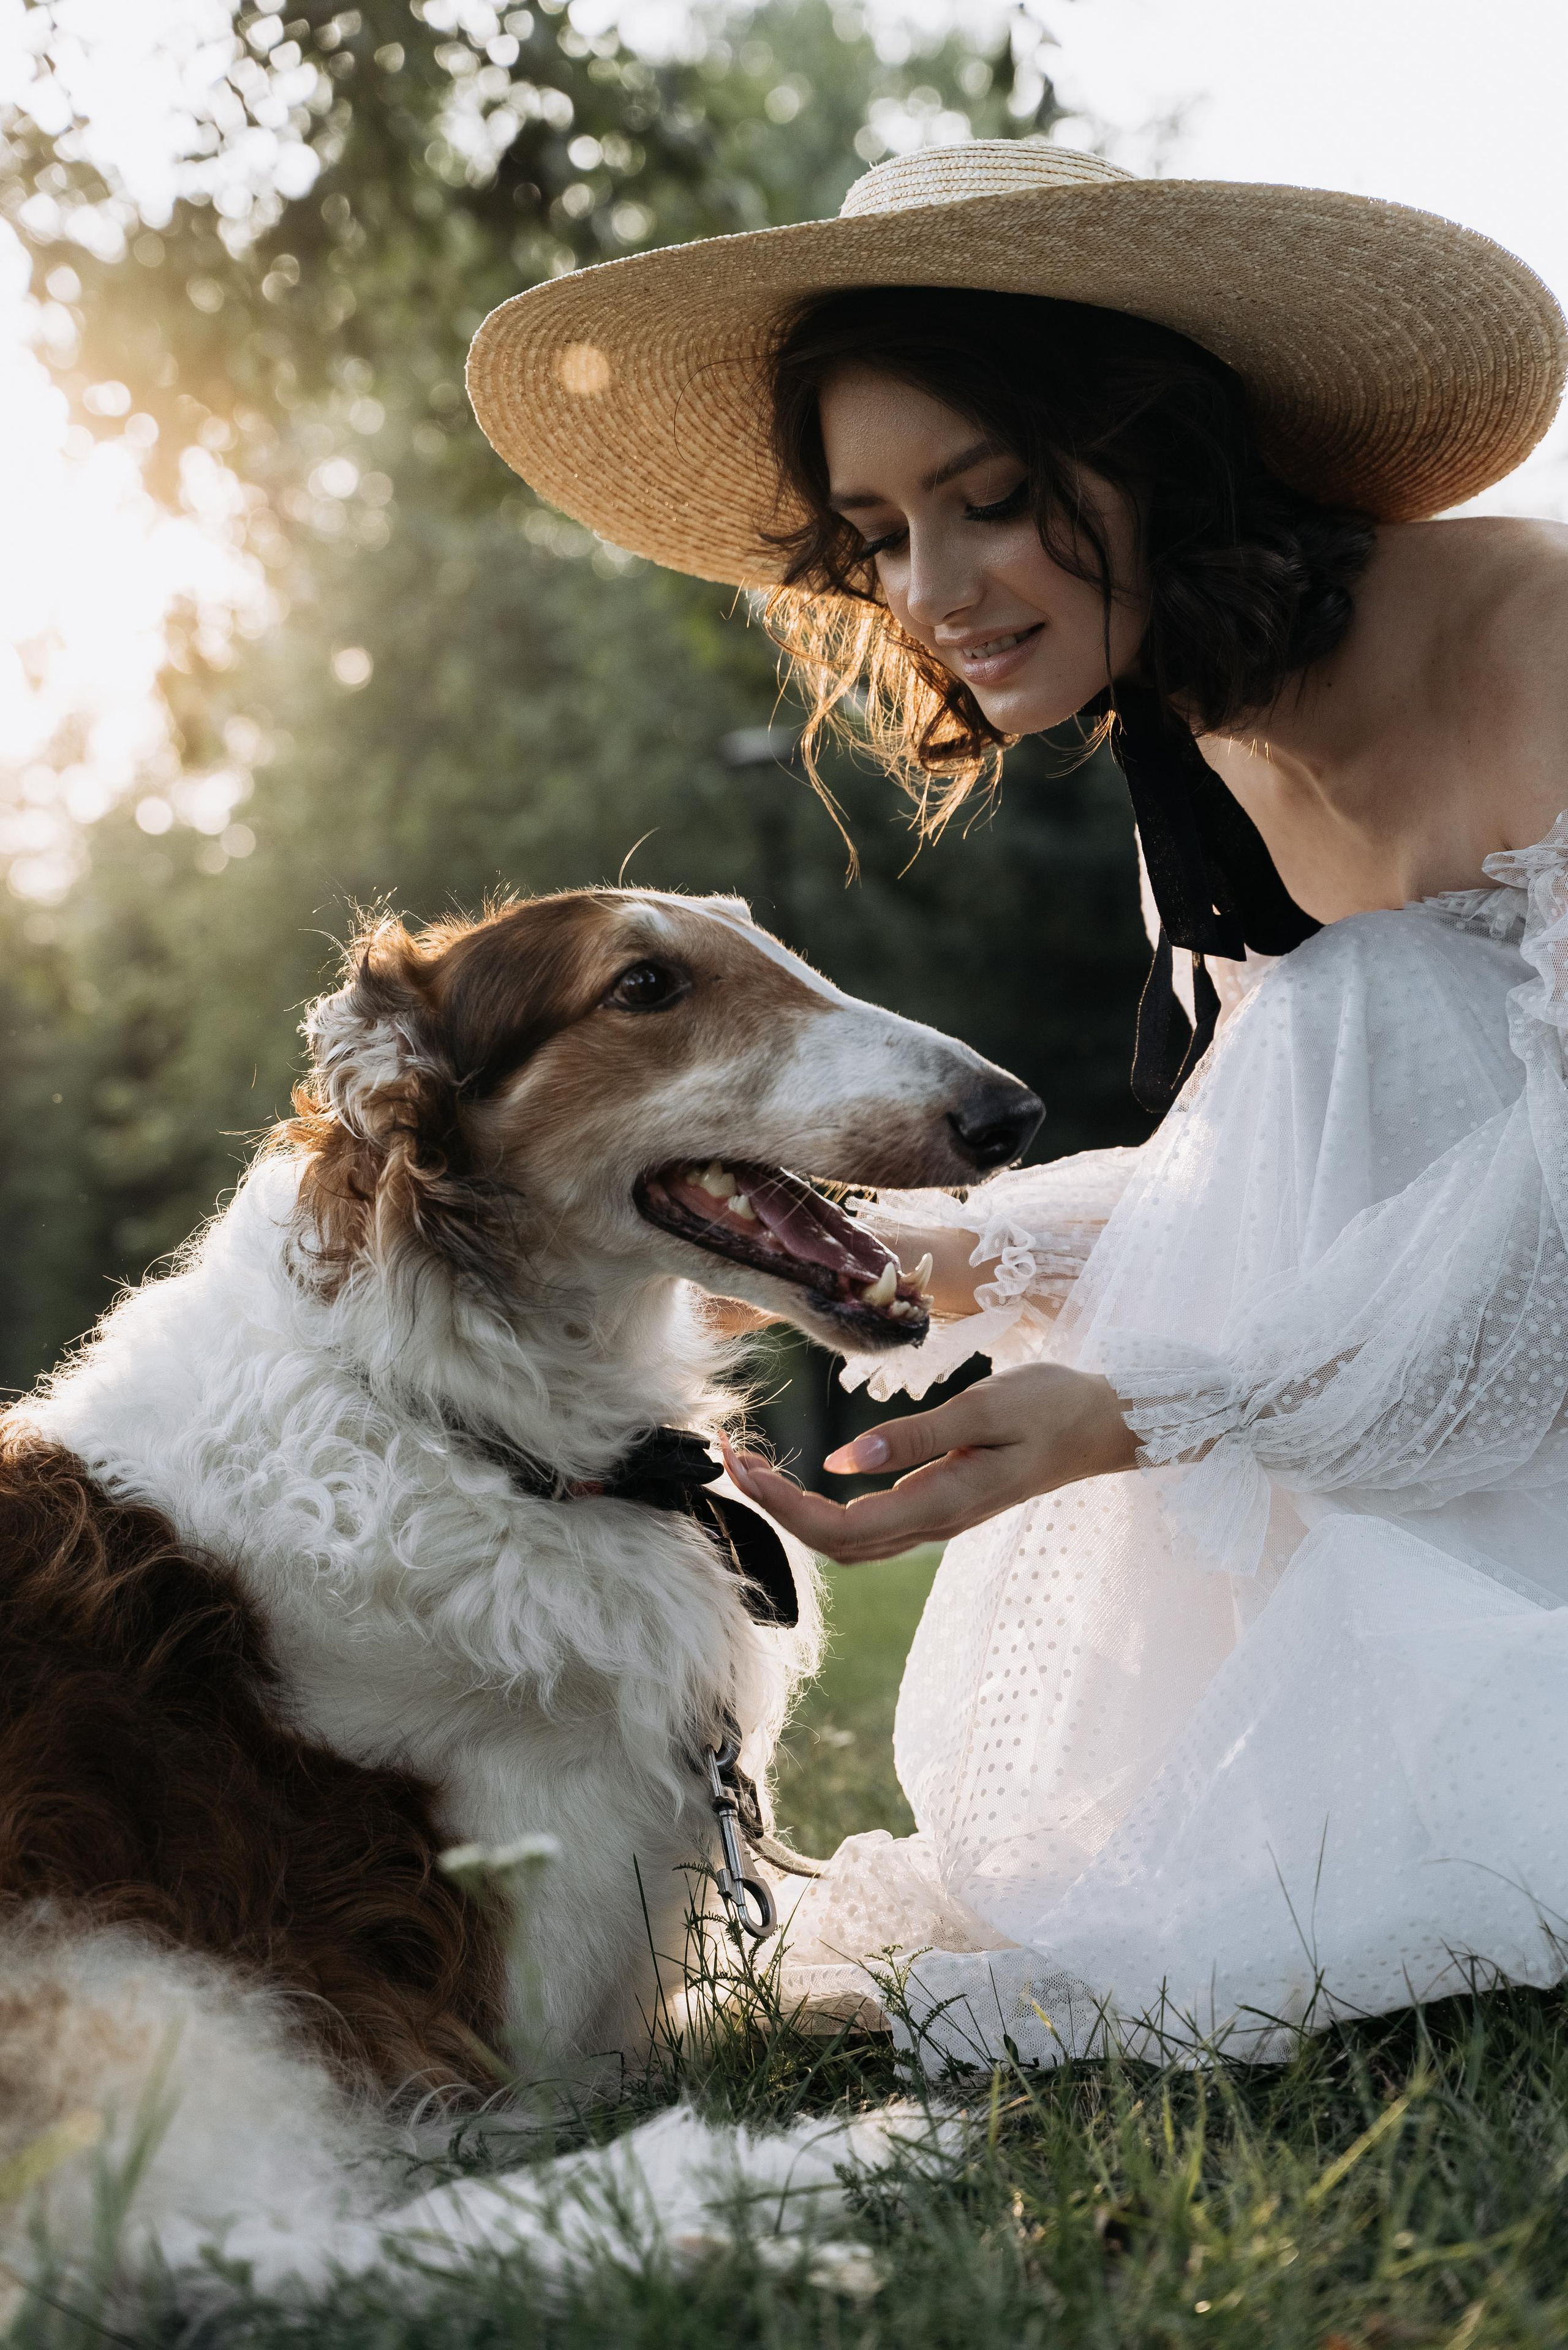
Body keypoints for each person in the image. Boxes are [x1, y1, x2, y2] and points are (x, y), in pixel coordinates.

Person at [465, 143, 1568, 2067]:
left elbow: (1537, 1208)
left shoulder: (1534, 638)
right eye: (879, 531)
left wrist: (1140, 1409)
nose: (934, 593)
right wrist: (922, 1248)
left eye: (990, 502)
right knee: (1336, 1021)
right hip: (1462, 1392)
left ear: (1158, 454)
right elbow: (1296, 1181)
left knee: (1361, 998)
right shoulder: (1205, 724)